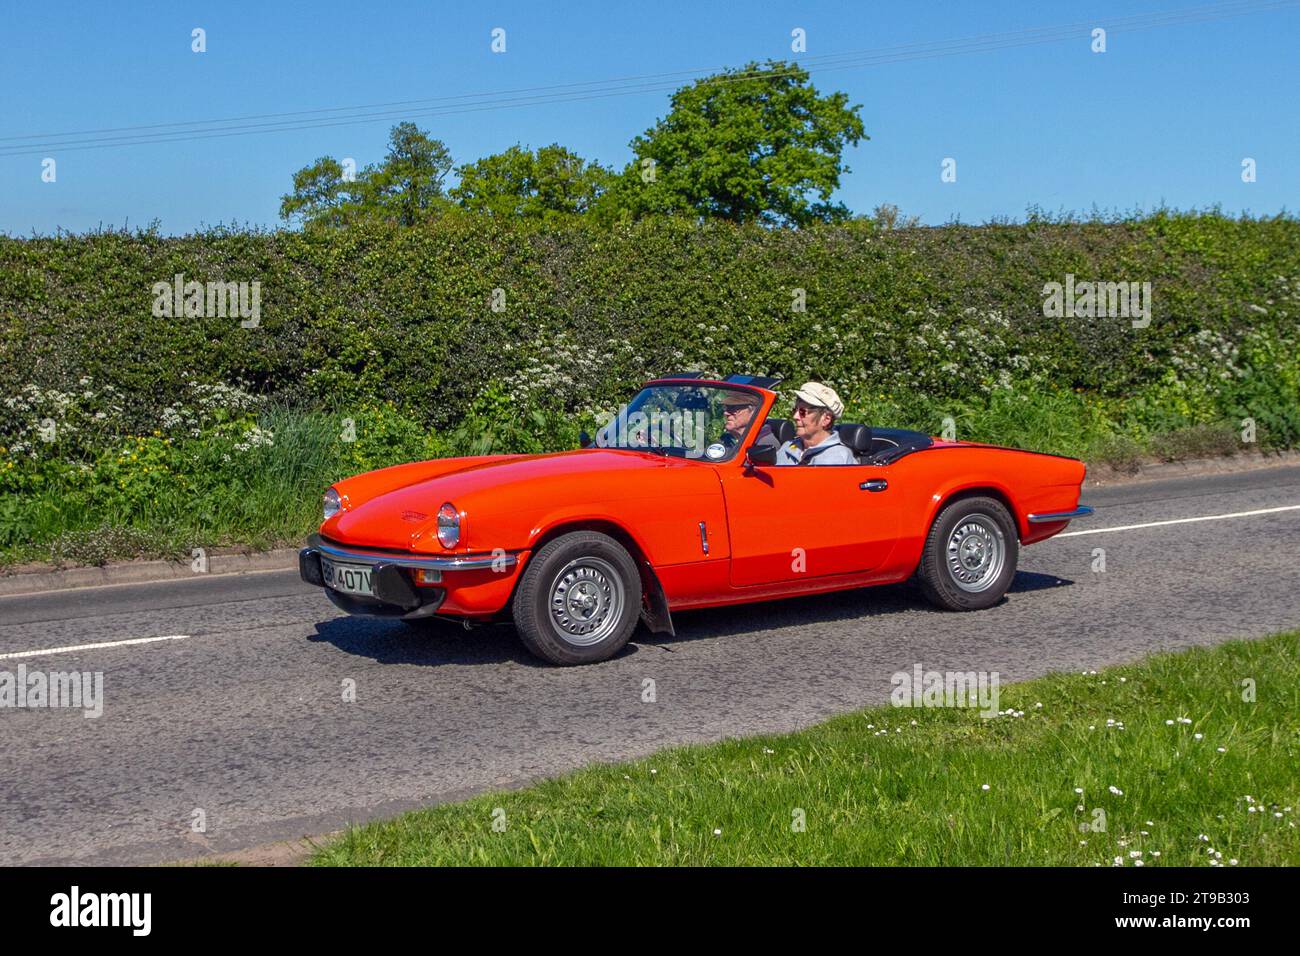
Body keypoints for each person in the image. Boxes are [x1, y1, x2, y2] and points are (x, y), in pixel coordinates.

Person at [776, 382, 857, 465]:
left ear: (826, 419)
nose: (795, 416)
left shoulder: (838, 457)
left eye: (802, 412)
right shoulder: (787, 447)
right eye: (795, 410)